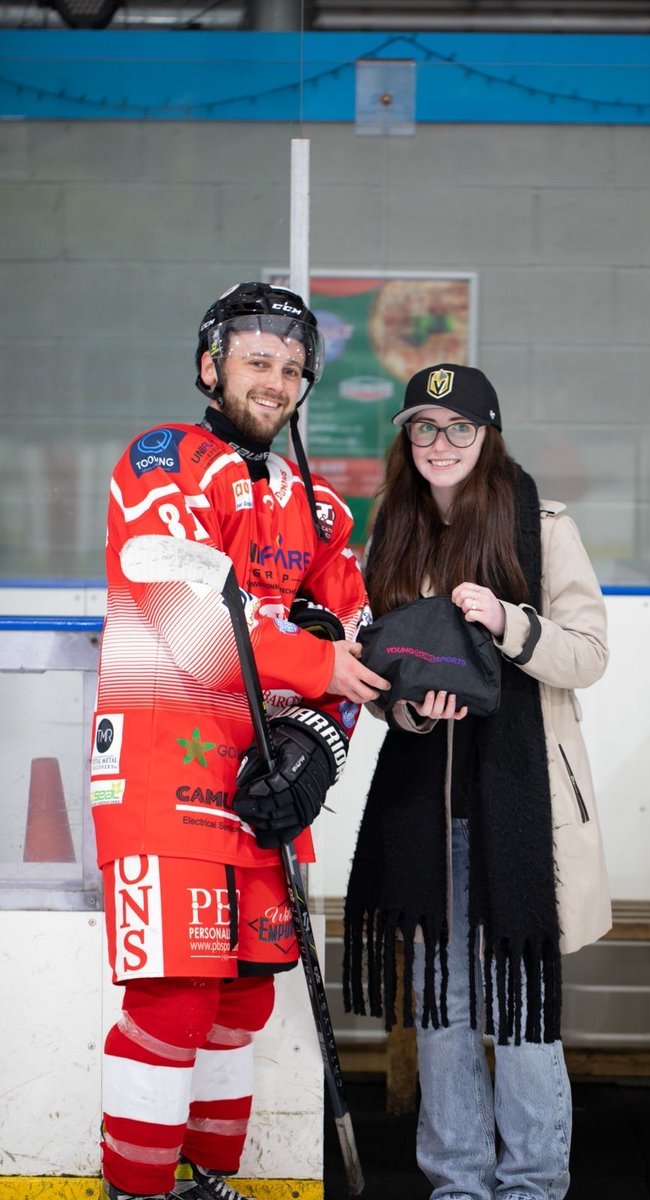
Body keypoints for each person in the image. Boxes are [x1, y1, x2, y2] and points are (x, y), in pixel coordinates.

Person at [90, 282, 388, 1200]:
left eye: (294, 368)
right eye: (259, 360)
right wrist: (318, 666)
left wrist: (317, 750)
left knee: (243, 996)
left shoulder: (325, 513)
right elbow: (186, 622)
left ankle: (204, 1181)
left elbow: (357, 647)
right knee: (172, 998)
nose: (278, 380)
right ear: (211, 365)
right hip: (157, 762)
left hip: (261, 777)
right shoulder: (159, 462)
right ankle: (133, 1191)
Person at [343, 363, 611, 1200]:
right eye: (424, 428)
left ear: (488, 433)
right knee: (443, 1006)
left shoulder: (544, 525)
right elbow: (378, 669)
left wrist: (508, 623)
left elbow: (589, 654)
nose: (442, 443)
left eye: (459, 427)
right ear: (407, 439)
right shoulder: (391, 527)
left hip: (520, 809)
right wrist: (415, 710)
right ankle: (457, 1181)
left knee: (523, 1004)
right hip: (426, 810)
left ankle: (532, 1184)